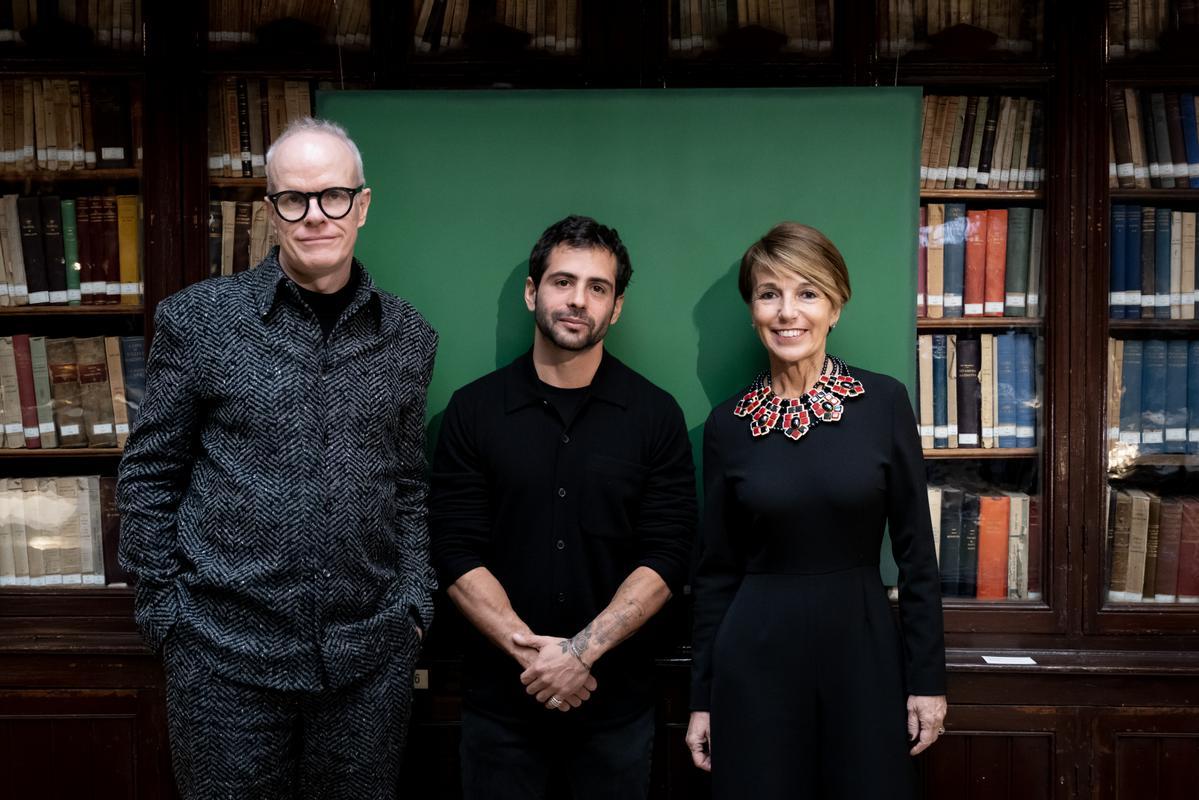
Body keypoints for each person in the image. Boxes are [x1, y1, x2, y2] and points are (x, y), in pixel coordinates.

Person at [117, 117, 438, 799]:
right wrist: (166, 621)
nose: (314, 215)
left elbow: (407, 485)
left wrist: (414, 603)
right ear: (271, 212)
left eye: (332, 196)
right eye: (294, 199)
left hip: (368, 660)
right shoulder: (198, 322)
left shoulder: (409, 337)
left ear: (363, 204)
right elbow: (148, 475)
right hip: (221, 661)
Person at [429, 215, 696, 800]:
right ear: (532, 292)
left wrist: (581, 654)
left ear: (616, 307)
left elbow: (669, 554)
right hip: (500, 708)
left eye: (597, 288)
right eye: (562, 281)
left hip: (615, 709)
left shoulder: (655, 416)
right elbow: (453, 547)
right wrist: (538, 658)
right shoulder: (472, 412)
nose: (578, 300)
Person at [685, 222, 947, 798]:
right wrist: (702, 699)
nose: (787, 312)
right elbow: (716, 573)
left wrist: (927, 680)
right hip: (752, 662)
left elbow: (916, 555)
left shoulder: (884, 402)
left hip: (863, 652)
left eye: (807, 293)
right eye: (769, 293)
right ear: (753, 309)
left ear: (836, 308)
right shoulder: (727, 426)